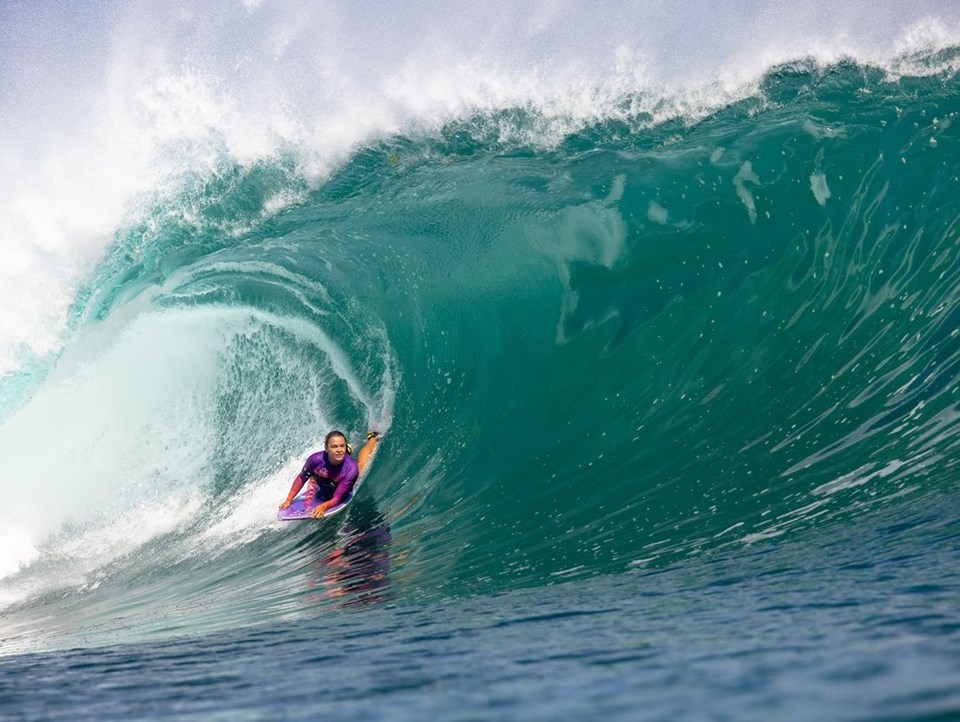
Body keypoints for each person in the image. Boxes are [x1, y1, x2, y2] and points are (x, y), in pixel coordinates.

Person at [279, 430, 380, 518]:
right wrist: (289, 499)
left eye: (342, 446)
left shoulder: (351, 470)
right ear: (326, 448)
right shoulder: (315, 460)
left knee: (361, 465)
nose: (339, 449)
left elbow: (337, 499)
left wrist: (324, 506)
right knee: (334, 460)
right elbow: (302, 477)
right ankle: (346, 451)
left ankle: (372, 438)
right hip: (328, 478)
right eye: (334, 446)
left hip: (342, 480)